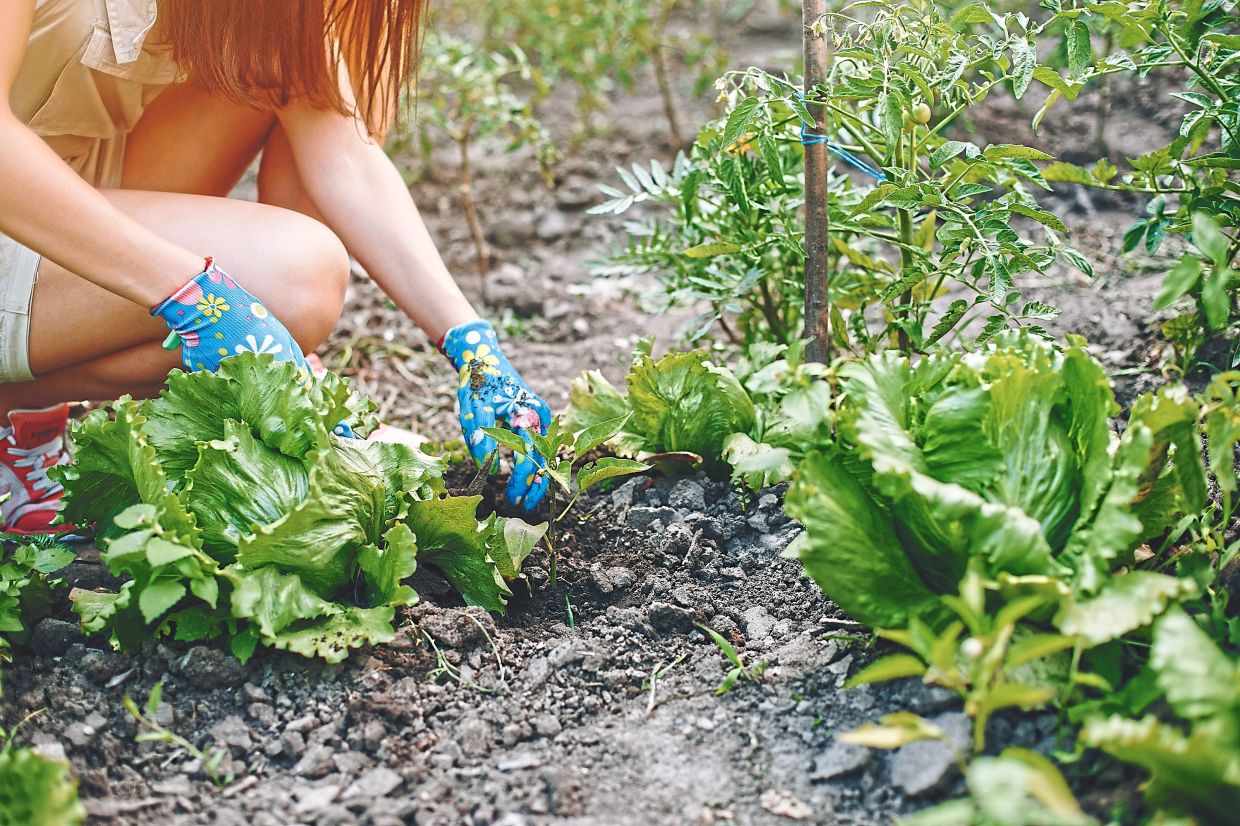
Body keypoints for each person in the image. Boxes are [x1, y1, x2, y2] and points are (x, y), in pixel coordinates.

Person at [0, 0, 552, 533]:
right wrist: (191, 294)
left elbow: (342, 153)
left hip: (70, 192)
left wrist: (471, 345)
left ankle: (282, 369)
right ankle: (16, 407)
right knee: (296, 274)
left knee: (294, 45)